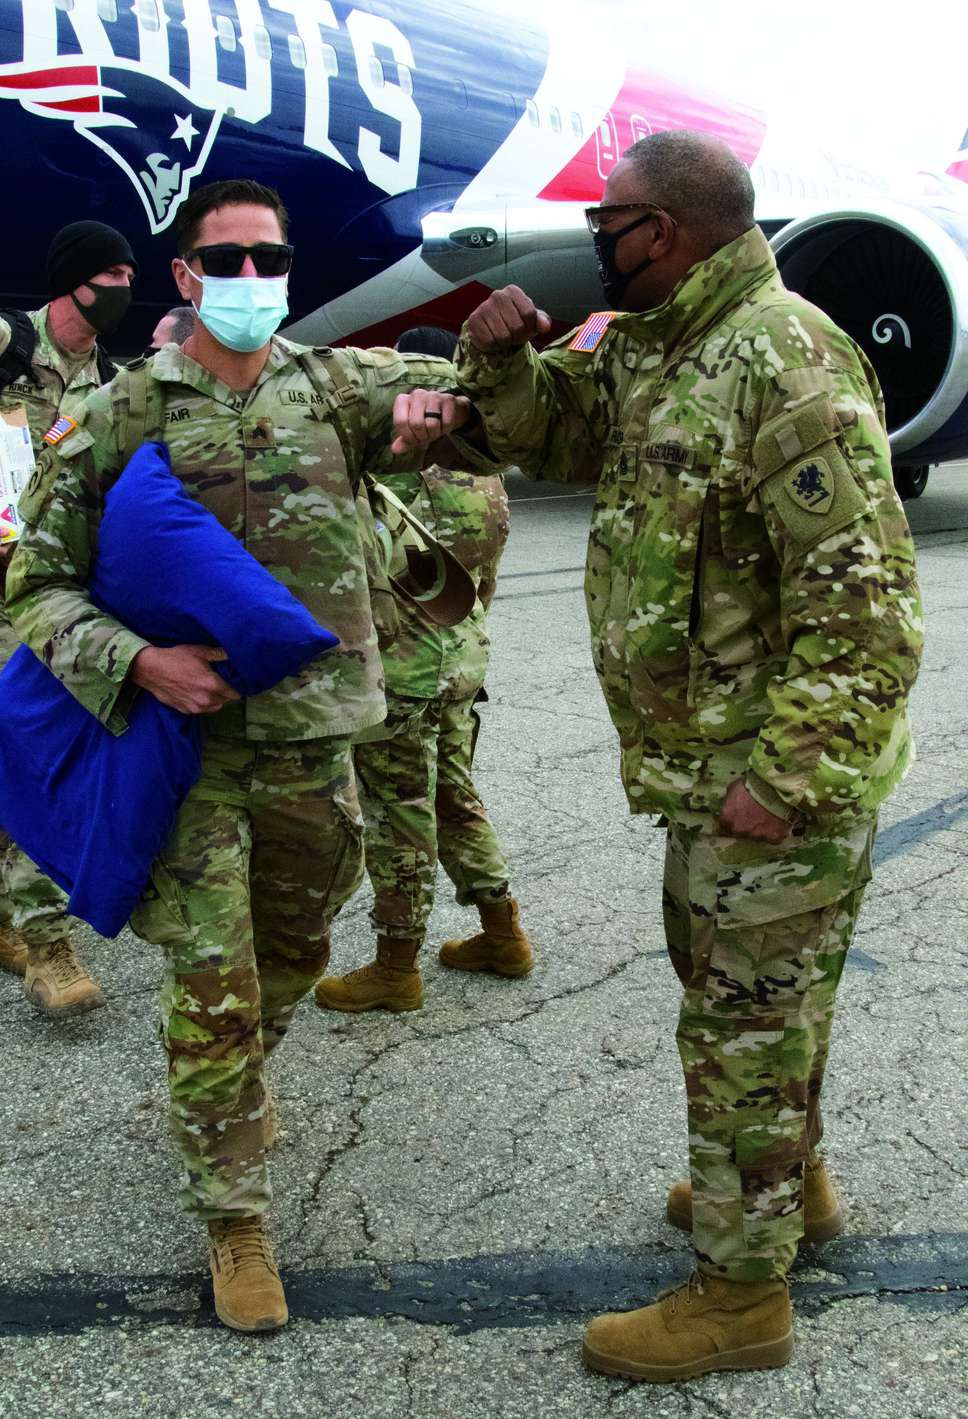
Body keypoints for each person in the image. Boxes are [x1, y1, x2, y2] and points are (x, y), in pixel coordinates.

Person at [396, 130, 923, 1381]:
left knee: (742, 1030)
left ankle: (742, 1301)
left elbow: (868, 615)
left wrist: (779, 785)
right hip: (708, 773)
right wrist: (500, 354)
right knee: (750, 1006)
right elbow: (564, 440)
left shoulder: (782, 362)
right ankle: (786, 1191)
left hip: (771, 787)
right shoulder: (664, 348)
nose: (593, 242)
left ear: (668, 232)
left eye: (607, 225)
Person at [5, 179, 491, 1334]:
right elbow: (37, 578)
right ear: (186, 277)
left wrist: (463, 389)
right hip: (200, 753)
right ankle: (235, 1215)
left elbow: (471, 406)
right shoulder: (127, 409)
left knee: (289, 958)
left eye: (267, 259)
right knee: (214, 980)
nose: (249, 280)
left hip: (319, 749)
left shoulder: (336, 385)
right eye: (225, 262)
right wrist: (140, 663)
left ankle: (216, 1090)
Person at [315, 326, 531, 1015]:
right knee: (455, 796)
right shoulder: (485, 470)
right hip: (462, 658)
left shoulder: (394, 462)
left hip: (404, 664)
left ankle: (396, 965)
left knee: (398, 812)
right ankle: (504, 931)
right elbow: (483, 578)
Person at [0, 220, 138, 1016]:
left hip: (53, 600)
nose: (124, 287)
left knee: (12, 754)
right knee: (26, 756)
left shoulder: (108, 383)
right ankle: (47, 947)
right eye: (110, 272)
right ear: (71, 279)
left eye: (132, 274)